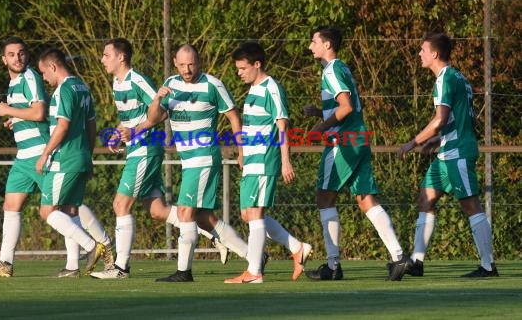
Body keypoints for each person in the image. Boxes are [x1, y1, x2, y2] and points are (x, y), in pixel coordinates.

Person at [90, 38, 235, 279]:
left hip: (145, 148)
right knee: (157, 210)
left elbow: (154, 114)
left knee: (120, 205)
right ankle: (211, 234)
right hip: (136, 148)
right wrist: (119, 134)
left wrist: (135, 131)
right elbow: (131, 118)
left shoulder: (138, 81)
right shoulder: (117, 83)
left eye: (106, 55)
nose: (102, 59)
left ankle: (120, 268)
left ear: (121, 57)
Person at [0, 37, 112, 278]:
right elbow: (42, 110)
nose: (17, 58)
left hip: (40, 153)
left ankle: (94, 249)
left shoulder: (29, 77)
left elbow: (39, 112)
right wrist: (16, 118)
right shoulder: (15, 83)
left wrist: (8, 110)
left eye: (21, 53)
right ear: (3, 59)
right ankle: (6, 262)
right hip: (24, 156)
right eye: (11, 54)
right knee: (13, 205)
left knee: (63, 209)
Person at [303, 25, 410, 281]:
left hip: (343, 142)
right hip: (358, 139)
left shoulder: (331, 70)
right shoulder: (343, 68)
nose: (310, 46)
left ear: (327, 45)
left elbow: (347, 107)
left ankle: (333, 266)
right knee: (366, 200)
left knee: (324, 198)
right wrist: (320, 112)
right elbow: (348, 107)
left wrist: (320, 127)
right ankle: (399, 258)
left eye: (314, 41)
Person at [399, 32, 498, 278]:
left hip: (458, 153)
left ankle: (488, 266)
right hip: (447, 150)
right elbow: (464, 118)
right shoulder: (459, 78)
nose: (420, 54)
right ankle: (417, 262)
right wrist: (437, 139)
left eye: (423, 50)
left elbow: (440, 118)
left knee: (471, 205)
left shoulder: (445, 79)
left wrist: (413, 142)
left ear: (434, 53)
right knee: (425, 199)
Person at [147, 44, 249, 282]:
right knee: (205, 218)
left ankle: (184, 272)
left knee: (185, 211)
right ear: (175, 62)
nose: (187, 69)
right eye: (182, 64)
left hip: (203, 157)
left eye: (191, 64)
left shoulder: (213, 84)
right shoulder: (170, 85)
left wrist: (241, 151)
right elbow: (154, 119)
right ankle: (253, 257)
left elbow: (233, 115)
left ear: (199, 61)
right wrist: (157, 98)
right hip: (187, 160)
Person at [225, 42, 312, 284]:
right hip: (252, 160)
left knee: (254, 213)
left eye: (243, 68)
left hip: (265, 159)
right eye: (237, 68)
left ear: (257, 64)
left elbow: (282, 126)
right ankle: (297, 247)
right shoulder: (253, 89)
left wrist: (285, 161)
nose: (239, 72)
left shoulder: (272, 88)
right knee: (247, 214)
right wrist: (242, 152)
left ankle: (254, 272)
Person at [34, 47, 105, 276]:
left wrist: (45, 153)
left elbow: (62, 126)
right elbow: (92, 126)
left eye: (44, 72)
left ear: (53, 67)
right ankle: (72, 266)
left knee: (47, 211)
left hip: (64, 159)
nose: (44, 78)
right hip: (81, 156)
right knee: (70, 210)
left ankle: (92, 246)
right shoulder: (83, 88)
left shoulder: (64, 90)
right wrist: (89, 155)